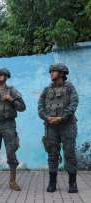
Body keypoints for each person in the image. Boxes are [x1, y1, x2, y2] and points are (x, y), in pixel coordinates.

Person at [38, 63, 79, 193]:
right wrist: (46, 117)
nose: (51, 73)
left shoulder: (70, 88)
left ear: (61, 73)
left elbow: (74, 104)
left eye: (54, 71)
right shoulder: (46, 89)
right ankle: (52, 182)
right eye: (51, 71)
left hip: (67, 125)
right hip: (51, 127)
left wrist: (62, 118)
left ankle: (72, 183)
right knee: (52, 154)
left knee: (69, 154)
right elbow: (40, 106)